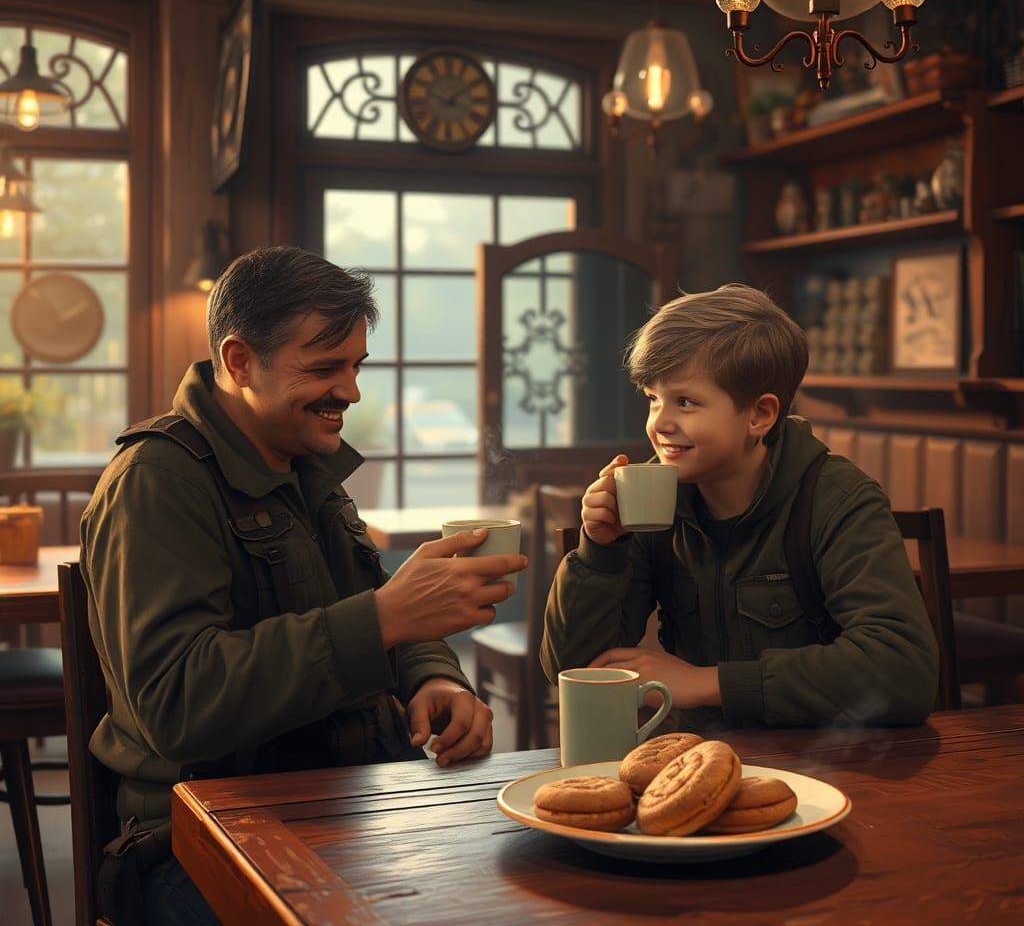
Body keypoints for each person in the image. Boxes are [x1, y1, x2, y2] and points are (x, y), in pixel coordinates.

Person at [82, 246, 526, 925]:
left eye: (355, 366)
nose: (350, 391)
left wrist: (436, 678)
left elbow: (380, 614)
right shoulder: (156, 481)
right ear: (238, 361)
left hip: (347, 801)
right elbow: (175, 705)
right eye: (324, 368)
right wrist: (381, 620)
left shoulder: (302, 468)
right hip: (200, 837)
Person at [540, 283, 939, 731]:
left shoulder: (838, 498)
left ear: (759, 415)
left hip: (832, 763)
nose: (660, 423)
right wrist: (600, 551)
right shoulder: (652, 496)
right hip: (697, 759)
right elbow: (573, 671)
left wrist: (709, 683)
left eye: (685, 402)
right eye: (653, 398)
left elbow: (904, 671)